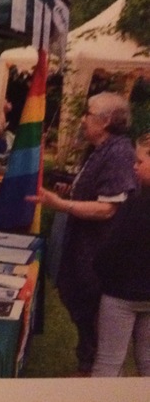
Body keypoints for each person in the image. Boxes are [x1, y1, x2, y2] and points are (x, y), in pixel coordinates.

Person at [27, 91, 138, 375]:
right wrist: (72, 190)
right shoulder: (102, 149)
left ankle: (95, 374)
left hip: (97, 254)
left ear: (107, 120)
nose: (82, 119)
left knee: (93, 316)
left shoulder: (119, 152)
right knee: (81, 307)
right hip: (83, 248)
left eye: (88, 113)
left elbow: (109, 209)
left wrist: (62, 203)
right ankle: (89, 368)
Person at [91, 132, 150, 376]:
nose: (134, 166)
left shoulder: (136, 204)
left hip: (121, 294)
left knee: (108, 362)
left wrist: (101, 273)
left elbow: (112, 249)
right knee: (148, 360)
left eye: (140, 161)